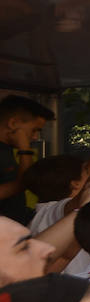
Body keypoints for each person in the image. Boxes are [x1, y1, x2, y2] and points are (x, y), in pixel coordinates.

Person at [0, 96, 54, 225]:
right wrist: (25, 150)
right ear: (13, 124)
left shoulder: (7, 150)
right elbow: (26, 182)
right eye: (34, 130)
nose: (35, 137)